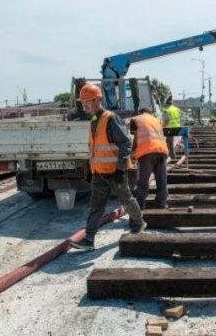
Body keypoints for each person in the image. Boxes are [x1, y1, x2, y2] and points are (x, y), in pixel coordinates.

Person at [71, 83, 146, 251]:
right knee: (95, 207)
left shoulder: (110, 118)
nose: (84, 106)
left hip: (114, 172)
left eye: (87, 102)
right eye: (82, 102)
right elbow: (95, 149)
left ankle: (139, 222)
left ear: (97, 100)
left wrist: (120, 168)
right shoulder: (93, 121)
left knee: (126, 199)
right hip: (99, 173)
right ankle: (89, 240)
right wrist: (91, 170)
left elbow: (126, 143)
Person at [130, 107, 169, 210]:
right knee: (162, 181)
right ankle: (162, 204)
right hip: (162, 152)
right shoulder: (156, 120)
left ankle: (140, 207)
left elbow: (136, 139)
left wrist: (132, 153)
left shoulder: (137, 119)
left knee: (142, 183)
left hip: (146, 153)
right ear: (150, 113)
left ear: (140, 112)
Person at [162, 94, 181, 159]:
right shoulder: (177, 109)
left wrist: (161, 128)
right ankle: (171, 155)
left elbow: (165, 122)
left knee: (168, 142)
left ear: (166, 104)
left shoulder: (166, 110)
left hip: (170, 128)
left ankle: (172, 156)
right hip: (178, 128)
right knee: (169, 141)